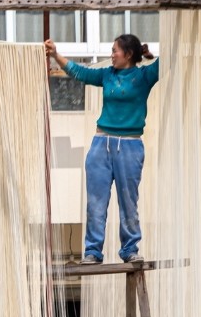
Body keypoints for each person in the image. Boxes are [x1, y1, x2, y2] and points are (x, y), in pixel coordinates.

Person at [45, 35, 159, 265]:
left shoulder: (144, 76)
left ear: (128, 54)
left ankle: (130, 249)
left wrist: (152, 55)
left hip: (130, 145)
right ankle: (93, 251)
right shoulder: (107, 74)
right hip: (101, 144)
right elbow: (80, 73)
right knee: (96, 202)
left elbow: (170, 59)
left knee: (128, 201)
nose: (111, 55)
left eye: (115, 50)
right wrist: (55, 54)